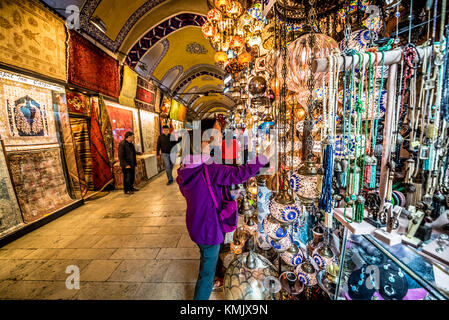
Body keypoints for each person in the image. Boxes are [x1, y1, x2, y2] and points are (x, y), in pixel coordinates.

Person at [176, 118, 275, 300]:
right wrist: (265, 156)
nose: (221, 133)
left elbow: (201, 193)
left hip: (195, 222)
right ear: (206, 138)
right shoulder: (208, 168)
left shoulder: (187, 167)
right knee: (206, 272)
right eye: (218, 130)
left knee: (206, 257)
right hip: (208, 227)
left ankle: (211, 275)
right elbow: (239, 174)